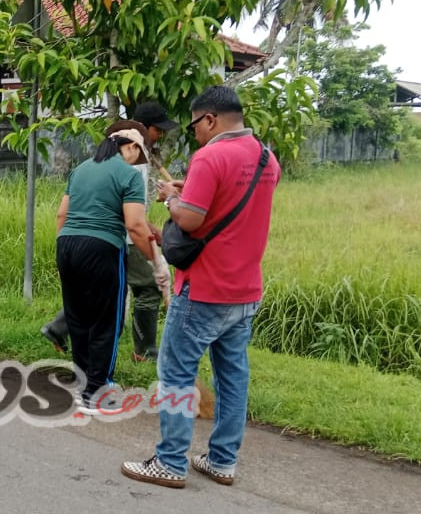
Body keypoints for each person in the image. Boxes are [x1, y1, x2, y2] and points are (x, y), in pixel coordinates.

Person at [121, 85, 281, 489]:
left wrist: (171, 202)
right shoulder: (266, 158)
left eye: (195, 124)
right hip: (245, 290)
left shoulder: (209, 156)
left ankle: (170, 462)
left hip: (205, 288)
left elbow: (191, 220)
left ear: (210, 118)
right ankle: (222, 461)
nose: (194, 133)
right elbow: (228, 204)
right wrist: (185, 191)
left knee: (175, 372)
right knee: (233, 377)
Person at [41, 121, 155, 413]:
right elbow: (135, 225)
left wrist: (64, 253)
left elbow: (61, 214)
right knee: (107, 322)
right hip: (102, 248)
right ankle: (98, 392)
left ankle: (84, 386)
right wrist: (156, 262)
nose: (136, 161)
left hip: (67, 245)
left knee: (78, 319)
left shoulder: (80, 170)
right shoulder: (128, 175)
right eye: (136, 154)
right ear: (129, 147)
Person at [115, 101, 178, 362]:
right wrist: (154, 234)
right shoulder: (136, 159)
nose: (160, 135)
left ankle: (58, 328)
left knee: (107, 290)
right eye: (158, 130)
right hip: (128, 235)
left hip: (118, 233)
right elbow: (128, 210)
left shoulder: (129, 152)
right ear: (144, 128)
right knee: (148, 288)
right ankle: (145, 352)